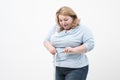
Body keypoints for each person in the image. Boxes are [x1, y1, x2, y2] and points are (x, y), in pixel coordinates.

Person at [43, 6, 94, 80]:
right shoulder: (56, 28)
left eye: (66, 20)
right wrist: (50, 48)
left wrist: (74, 50)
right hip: (59, 67)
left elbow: (90, 44)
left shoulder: (82, 29)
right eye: (60, 20)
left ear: (73, 17)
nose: (63, 23)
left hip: (76, 68)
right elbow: (46, 40)